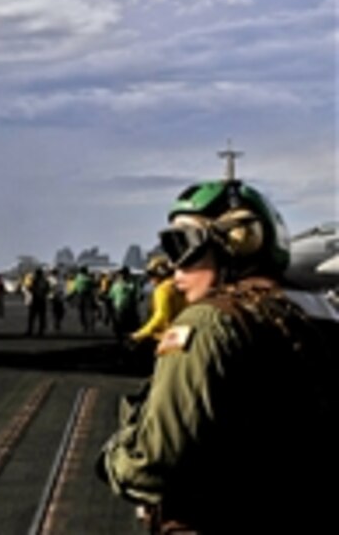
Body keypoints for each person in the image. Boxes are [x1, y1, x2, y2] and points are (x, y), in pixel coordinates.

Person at [97, 179, 337, 532]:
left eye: (183, 245)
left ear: (234, 244)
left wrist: (112, 459)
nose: (174, 266)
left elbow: (150, 463)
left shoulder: (207, 324)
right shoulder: (318, 319)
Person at [130, 254, 185, 347]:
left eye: (152, 275)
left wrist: (140, 334)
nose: (151, 279)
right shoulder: (180, 286)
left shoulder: (162, 290)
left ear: (159, 274)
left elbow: (161, 316)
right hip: (183, 334)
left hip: (166, 337)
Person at [107, 266, 140, 345]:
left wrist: (137, 299)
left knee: (132, 328)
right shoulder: (115, 285)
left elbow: (137, 295)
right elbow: (111, 296)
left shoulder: (133, 284)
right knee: (118, 328)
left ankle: (131, 343)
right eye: (120, 274)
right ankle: (120, 342)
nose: (122, 275)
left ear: (127, 274)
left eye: (124, 274)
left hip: (130, 309)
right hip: (118, 309)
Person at [70, 266, 96, 333]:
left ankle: (84, 326)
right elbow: (93, 287)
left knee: (81, 312)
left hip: (80, 296)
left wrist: (70, 296)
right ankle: (91, 326)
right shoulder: (89, 279)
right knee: (90, 312)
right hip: (89, 296)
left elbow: (74, 289)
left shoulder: (77, 278)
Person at [25, 267, 49, 336]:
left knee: (32, 317)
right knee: (42, 317)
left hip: (35, 301)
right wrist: (43, 294)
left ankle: (30, 331)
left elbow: (30, 288)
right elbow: (48, 289)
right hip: (42, 301)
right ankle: (41, 331)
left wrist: (33, 292)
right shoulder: (45, 281)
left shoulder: (35, 280)